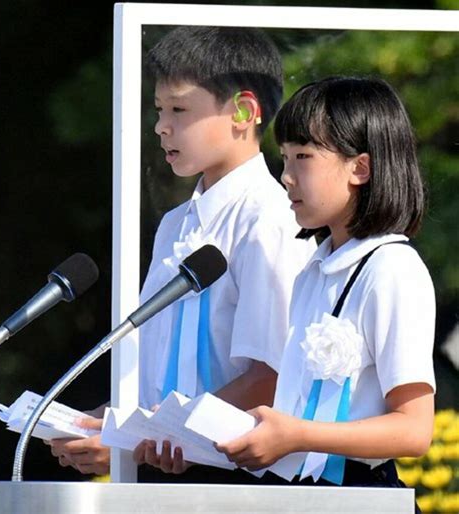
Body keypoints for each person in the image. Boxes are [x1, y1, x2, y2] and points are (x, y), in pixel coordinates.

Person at [46, 26, 315, 481]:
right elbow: (156, 374)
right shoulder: (175, 224)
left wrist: (136, 437)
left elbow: (272, 377)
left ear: (244, 112)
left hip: (238, 478)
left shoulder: (269, 218)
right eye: (158, 109)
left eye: (179, 109)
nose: (160, 126)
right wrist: (100, 422)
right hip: (170, 474)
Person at [216, 76, 435, 503]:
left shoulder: (393, 268)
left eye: (304, 157)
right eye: (284, 158)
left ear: (361, 168)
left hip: (359, 494)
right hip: (302, 492)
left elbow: (414, 429)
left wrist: (297, 435)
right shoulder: (314, 271)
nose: (287, 177)